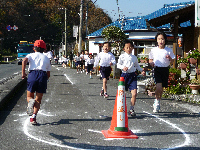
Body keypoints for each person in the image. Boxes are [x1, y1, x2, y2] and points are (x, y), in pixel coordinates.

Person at [22, 40, 51, 125]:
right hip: (42, 75)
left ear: (34, 48)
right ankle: (33, 117)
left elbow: (24, 61)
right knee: (38, 99)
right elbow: (48, 73)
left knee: (29, 96)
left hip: (32, 74)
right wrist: (46, 79)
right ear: (44, 49)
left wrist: (23, 73)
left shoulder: (31, 55)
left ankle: (31, 101)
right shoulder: (46, 58)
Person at [117, 40, 146, 117]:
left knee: (134, 93)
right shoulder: (122, 56)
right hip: (124, 76)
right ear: (124, 49)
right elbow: (118, 65)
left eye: (130, 47)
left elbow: (137, 66)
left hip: (132, 76)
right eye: (127, 47)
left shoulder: (134, 57)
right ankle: (120, 108)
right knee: (121, 94)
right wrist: (123, 67)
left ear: (133, 48)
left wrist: (142, 71)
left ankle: (131, 109)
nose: (129, 49)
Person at [149, 31, 175, 113]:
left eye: (162, 39)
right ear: (156, 40)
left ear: (165, 40)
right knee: (159, 86)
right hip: (157, 69)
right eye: (159, 39)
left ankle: (158, 100)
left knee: (162, 87)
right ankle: (156, 101)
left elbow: (173, 61)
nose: (161, 41)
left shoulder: (168, 50)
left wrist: (170, 58)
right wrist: (151, 63)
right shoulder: (153, 50)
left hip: (165, 69)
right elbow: (150, 59)